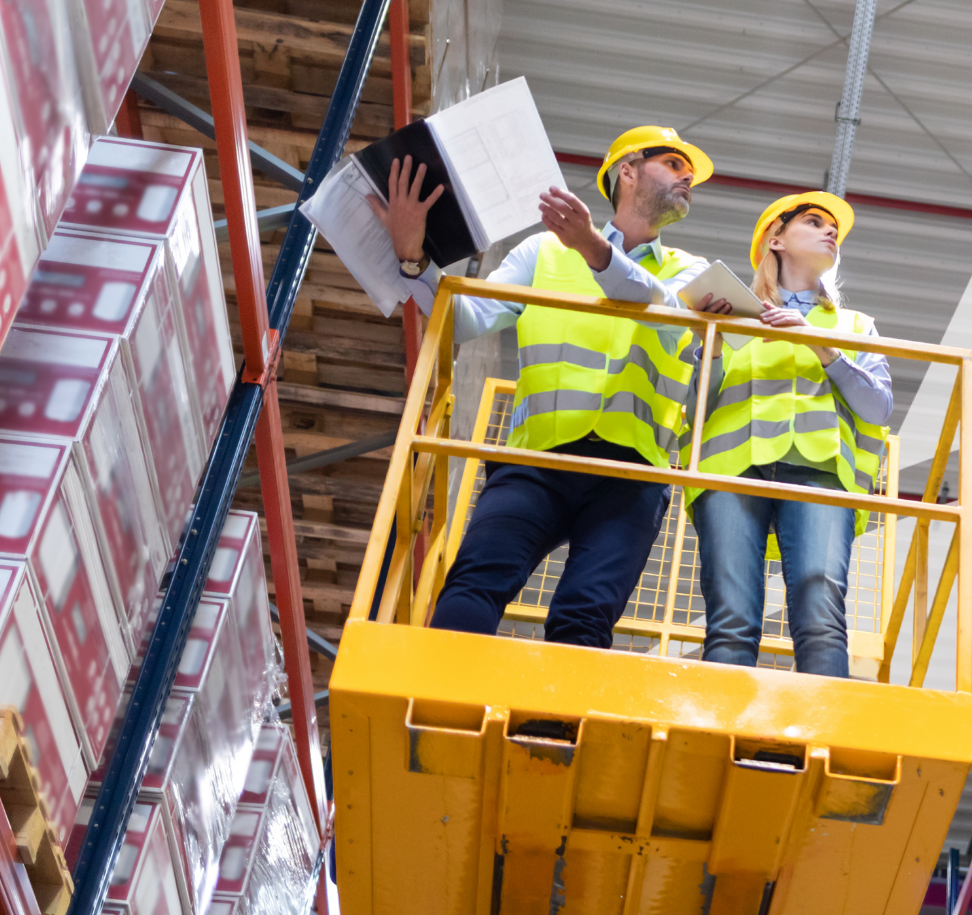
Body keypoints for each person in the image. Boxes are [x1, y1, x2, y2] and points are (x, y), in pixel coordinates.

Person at [368, 125, 732, 648]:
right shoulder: (543, 252)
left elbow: (668, 317)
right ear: (628, 171)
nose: (688, 177)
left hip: (631, 475)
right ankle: (437, 692)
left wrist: (593, 249)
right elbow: (464, 319)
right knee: (473, 582)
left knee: (585, 616)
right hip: (535, 462)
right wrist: (413, 258)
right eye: (674, 164)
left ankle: (553, 707)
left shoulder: (690, 272)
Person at [686, 192, 893, 678]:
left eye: (833, 228)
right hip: (731, 473)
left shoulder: (853, 326)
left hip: (820, 475)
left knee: (821, 620)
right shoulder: (729, 317)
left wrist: (821, 346)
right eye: (814, 222)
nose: (831, 231)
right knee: (731, 621)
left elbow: (878, 407)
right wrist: (710, 344)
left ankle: (822, 724)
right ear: (775, 240)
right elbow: (695, 412)